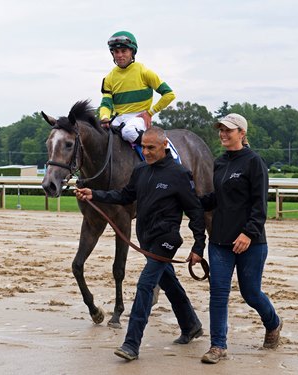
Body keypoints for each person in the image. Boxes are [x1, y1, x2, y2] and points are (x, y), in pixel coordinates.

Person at [75, 126, 206, 361]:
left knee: (145, 286)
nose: (145, 152)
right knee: (170, 283)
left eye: (151, 148)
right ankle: (191, 325)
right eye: (143, 147)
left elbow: (195, 212)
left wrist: (198, 246)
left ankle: (131, 344)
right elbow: (124, 196)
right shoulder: (141, 171)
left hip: (166, 241)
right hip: (145, 238)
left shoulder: (179, 174)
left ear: (165, 146)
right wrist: (94, 194)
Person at [200, 113, 282, 364]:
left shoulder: (254, 162)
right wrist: (190, 201)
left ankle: (273, 322)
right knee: (218, 292)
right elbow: (217, 199)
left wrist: (248, 233)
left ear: (242, 133)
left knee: (251, 293)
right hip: (220, 241)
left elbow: (260, 205)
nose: (223, 134)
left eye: (229, 130)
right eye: (221, 130)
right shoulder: (220, 163)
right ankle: (218, 346)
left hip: (251, 243)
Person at [99, 31, 179, 161]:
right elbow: (106, 104)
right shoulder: (109, 78)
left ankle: (167, 152)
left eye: (124, 51)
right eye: (116, 52)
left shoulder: (144, 72)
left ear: (132, 52)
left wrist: (150, 112)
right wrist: (104, 117)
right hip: (118, 118)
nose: (119, 55)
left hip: (138, 117)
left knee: (128, 132)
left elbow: (169, 94)